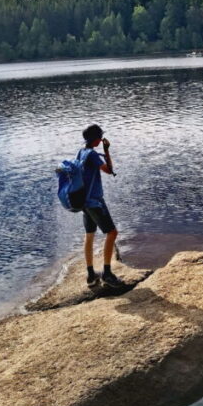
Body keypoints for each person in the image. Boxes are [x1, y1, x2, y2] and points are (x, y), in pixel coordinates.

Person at [79, 123, 126, 293]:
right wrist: (107, 150)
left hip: (84, 201)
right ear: (97, 139)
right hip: (95, 201)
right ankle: (107, 273)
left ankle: (91, 275)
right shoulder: (92, 154)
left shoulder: (82, 151)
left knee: (89, 234)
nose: (101, 139)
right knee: (112, 233)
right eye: (100, 137)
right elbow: (109, 170)